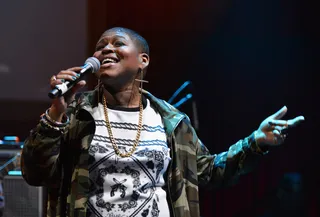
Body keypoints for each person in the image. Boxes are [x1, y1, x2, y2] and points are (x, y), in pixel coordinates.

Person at [21, 27, 304, 217]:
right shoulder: (76, 112)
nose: (106, 49)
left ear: (143, 60)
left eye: (118, 43)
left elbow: (207, 172)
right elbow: (35, 173)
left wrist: (254, 142)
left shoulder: (170, 120)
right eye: (100, 46)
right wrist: (57, 112)